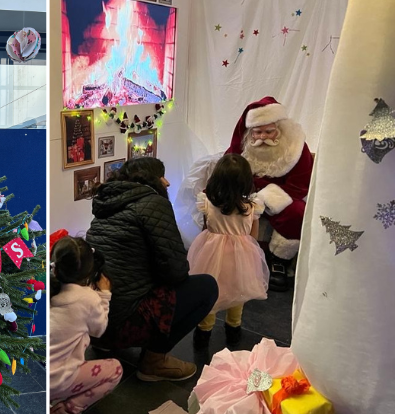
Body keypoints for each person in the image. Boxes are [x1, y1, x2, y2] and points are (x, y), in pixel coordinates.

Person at [87, 157, 218, 381]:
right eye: (161, 175)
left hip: (94, 317)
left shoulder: (106, 204)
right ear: (150, 179)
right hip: (124, 320)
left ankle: (105, 344)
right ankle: (153, 361)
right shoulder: (153, 203)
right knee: (207, 287)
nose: (167, 182)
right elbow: (176, 270)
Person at [224, 97, 313, 291]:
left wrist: (265, 200)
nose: (263, 136)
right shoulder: (243, 147)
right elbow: (228, 173)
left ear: (279, 129)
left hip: (282, 197)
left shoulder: (296, 147)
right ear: (251, 132)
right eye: (258, 132)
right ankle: (232, 255)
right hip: (246, 194)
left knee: (298, 212)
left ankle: (279, 259)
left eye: (268, 131)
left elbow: (300, 185)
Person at [188, 154, 270, 349]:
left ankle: (203, 332)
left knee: (209, 291)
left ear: (216, 179)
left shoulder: (207, 203)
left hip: (210, 253)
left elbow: (206, 228)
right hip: (241, 256)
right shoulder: (252, 208)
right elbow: (253, 236)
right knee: (238, 290)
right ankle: (234, 328)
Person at [49, 236, 123, 414]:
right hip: (58, 379)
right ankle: (68, 408)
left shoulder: (46, 287)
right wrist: (104, 295)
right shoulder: (88, 299)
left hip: (38, 374)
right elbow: (99, 330)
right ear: (89, 271)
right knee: (115, 370)